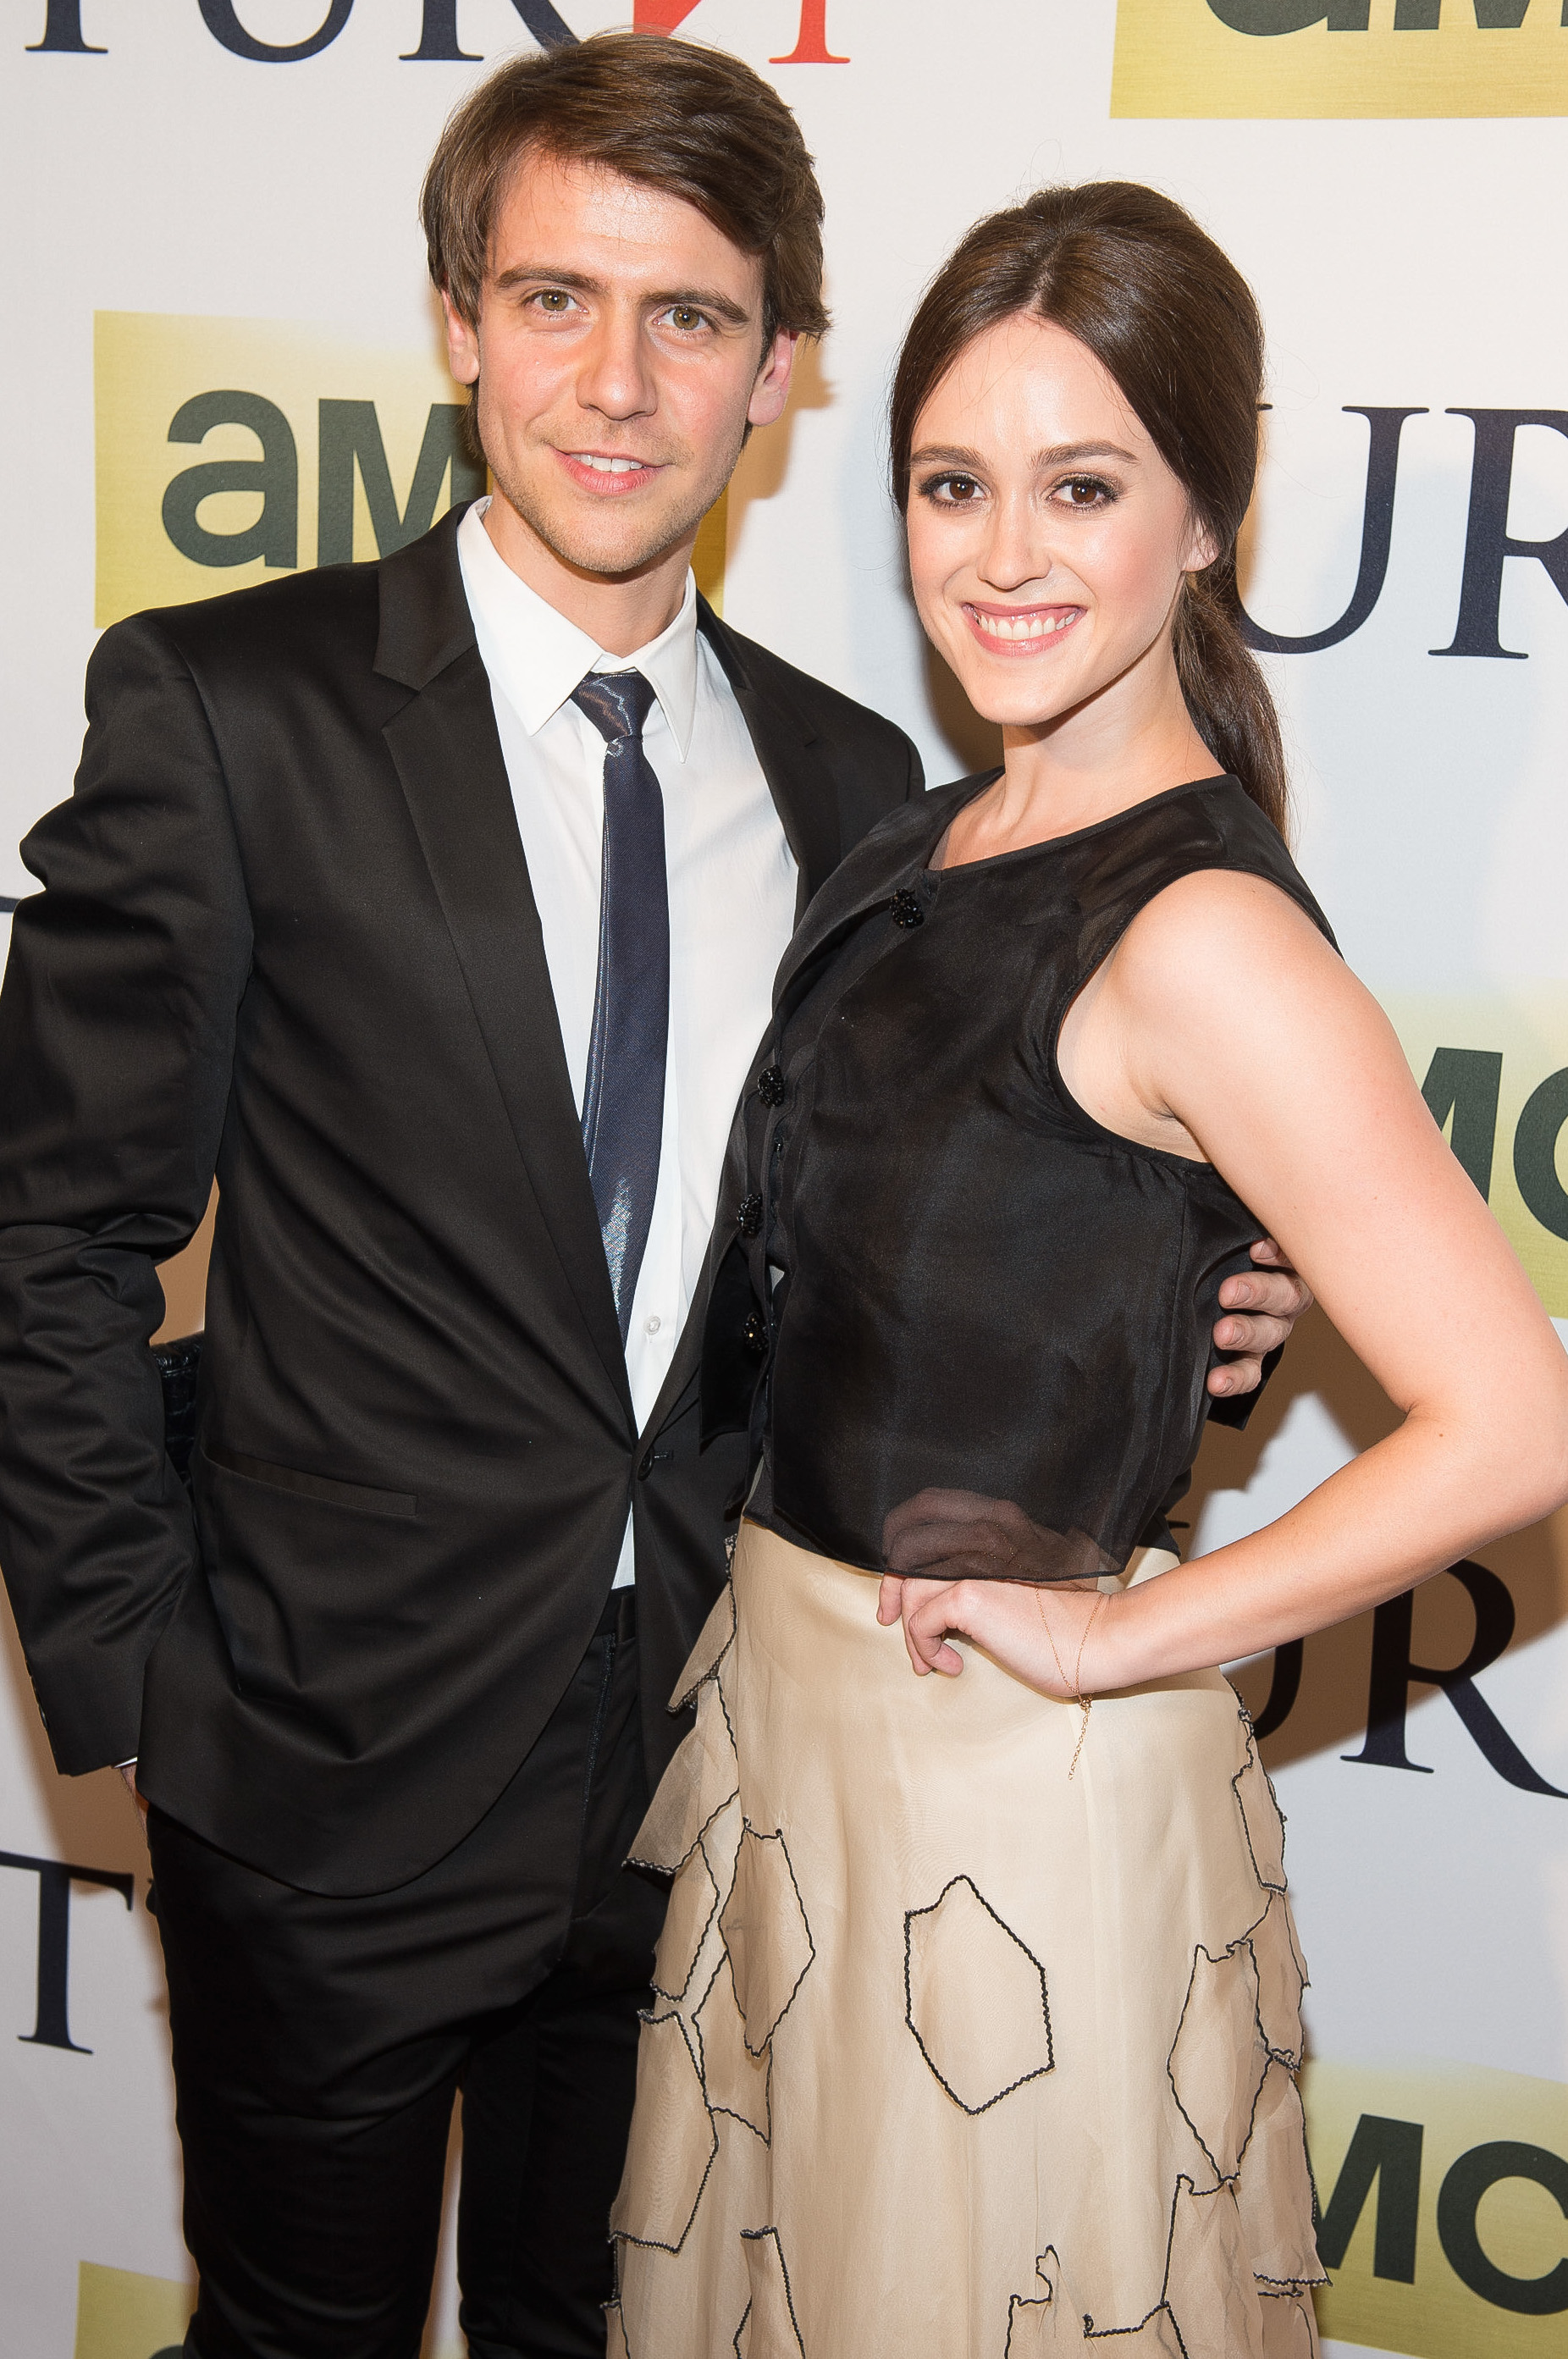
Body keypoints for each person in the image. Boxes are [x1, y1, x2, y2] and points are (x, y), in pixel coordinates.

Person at [0, 42, 1306, 2359]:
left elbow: (857, 1253)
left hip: (721, 1764)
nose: (614, 380)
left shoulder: (854, 772)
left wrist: (1135, 1317)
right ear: (457, 322)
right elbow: (55, 1239)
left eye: (688, 316)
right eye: (553, 298)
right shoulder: (226, 707)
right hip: (322, 1769)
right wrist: (150, 1698)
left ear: (778, 369)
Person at [608, 181, 1568, 2358]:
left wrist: (1127, 1637)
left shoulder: (1205, 931)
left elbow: (1514, 1416)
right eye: (951, 483)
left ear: (1204, 516)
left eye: (1083, 484)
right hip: (789, 1740)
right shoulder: (924, 836)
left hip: (1004, 1814)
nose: (1002, 553)